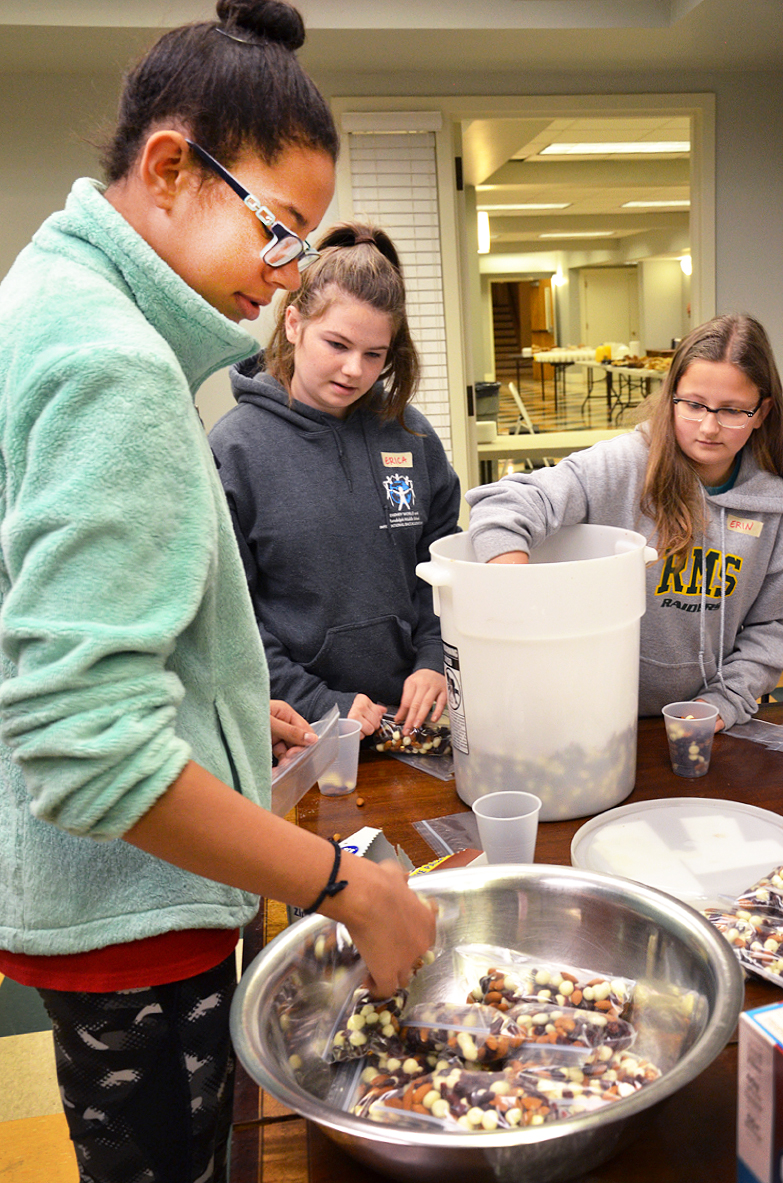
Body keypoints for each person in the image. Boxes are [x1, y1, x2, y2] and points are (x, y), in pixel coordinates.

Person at [0, 4, 435, 1181]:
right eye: (281, 229)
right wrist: (350, 888)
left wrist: (232, 716)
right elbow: (87, 745)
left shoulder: (53, 294)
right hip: (137, 916)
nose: (289, 271)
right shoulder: (115, 365)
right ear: (169, 168)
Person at [468, 314, 783, 733]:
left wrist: (725, 700)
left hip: (705, 723)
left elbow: (772, 628)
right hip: (592, 716)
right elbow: (503, 503)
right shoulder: (624, 464)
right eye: (693, 405)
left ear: (761, 412)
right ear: (671, 397)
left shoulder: (772, 502)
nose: (709, 426)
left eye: (731, 411)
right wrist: (515, 592)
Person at [209, 221, 461, 737]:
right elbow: (231, 620)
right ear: (295, 323)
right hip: (303, 729)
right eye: (337, 344)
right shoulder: (235, 449)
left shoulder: (411, 437)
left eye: (374, 355)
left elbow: (444, 567)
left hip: (415, 722)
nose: (354, 370)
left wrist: (436, 657)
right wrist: (320, 702)